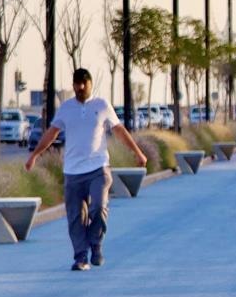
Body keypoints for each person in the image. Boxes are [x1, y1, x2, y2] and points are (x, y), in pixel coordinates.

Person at [27, 67, 149, 272]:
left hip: (98, 168)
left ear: (91, 84)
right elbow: (51, 133)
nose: (81, 87)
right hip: (73, 171)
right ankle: (81, 257)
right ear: (73, 85)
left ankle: (96, 244)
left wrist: (138, 152)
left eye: (84, 83)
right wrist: (34, 156)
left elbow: (119, 130)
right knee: (75, 217)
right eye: (77, 84)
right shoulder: (66, 108)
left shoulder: (102, 105)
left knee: (98, 207)